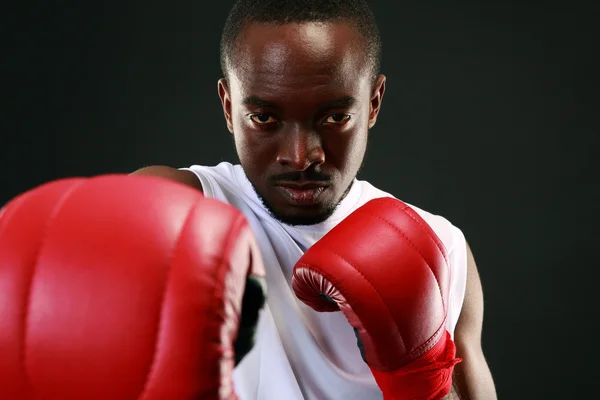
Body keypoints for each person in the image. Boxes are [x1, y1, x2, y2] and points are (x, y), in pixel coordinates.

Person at [133, 0, 497, 398]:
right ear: (228, 106)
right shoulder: (175, 209)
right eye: (264, 118)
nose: (302, 156)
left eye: (334, 117)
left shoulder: (441, 248)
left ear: (373, 102)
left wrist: (420, 376)